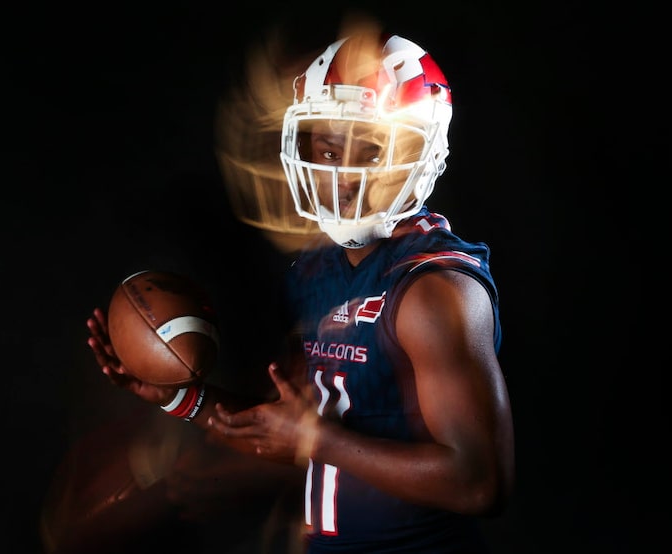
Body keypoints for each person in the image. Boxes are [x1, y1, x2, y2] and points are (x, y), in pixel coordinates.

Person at [87, 31, 515, 553]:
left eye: (371, 150)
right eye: (328, 149)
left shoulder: (434, 289)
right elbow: (288, 432)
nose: (343, 175)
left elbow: (479, 483)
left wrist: (317, 439)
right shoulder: (318, 273)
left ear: (420, 153)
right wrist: (181, 398)